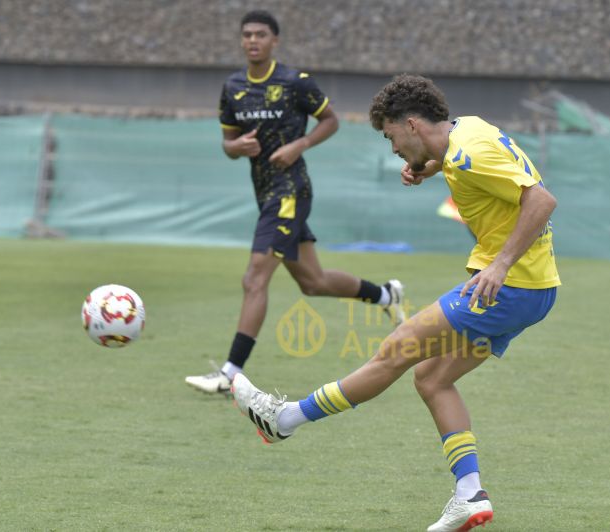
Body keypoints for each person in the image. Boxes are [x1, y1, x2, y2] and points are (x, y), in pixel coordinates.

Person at [231, 74, 561, 531]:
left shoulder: (468, 154)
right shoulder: (466, 130)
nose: (393, 150)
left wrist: (501, 264)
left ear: (410, 124)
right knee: (431, 379)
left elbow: (541, 200)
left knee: (397, 347)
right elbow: (471, 164)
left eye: (391, 137)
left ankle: (285, 419)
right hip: (536, 291)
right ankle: (469, 495)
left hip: (509, 288)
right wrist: (428, 167)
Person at [185, 10, 405, 394]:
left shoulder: (295, 82)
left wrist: (299, 144)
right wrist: (236, 147)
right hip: (265, 193)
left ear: (274, 41)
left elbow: (331, 120)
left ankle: (230, 373)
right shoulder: (233, 86)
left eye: (260, 34)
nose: (252, 40)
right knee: (313, 283)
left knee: (254, 278)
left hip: (291, 191)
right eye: (247, 35)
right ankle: (387, 294)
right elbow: (228, 144)